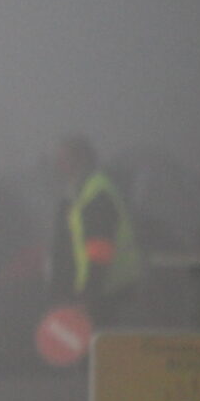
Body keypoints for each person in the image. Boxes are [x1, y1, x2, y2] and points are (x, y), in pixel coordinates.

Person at [50, 135, 142, 327]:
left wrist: (89, 296)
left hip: (106, 293)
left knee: (103, 342)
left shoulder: (97, 192)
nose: (58, 165)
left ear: (81, 159)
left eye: (64, 159)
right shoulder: (76, 192)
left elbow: (100, 248)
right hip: (91, 293)